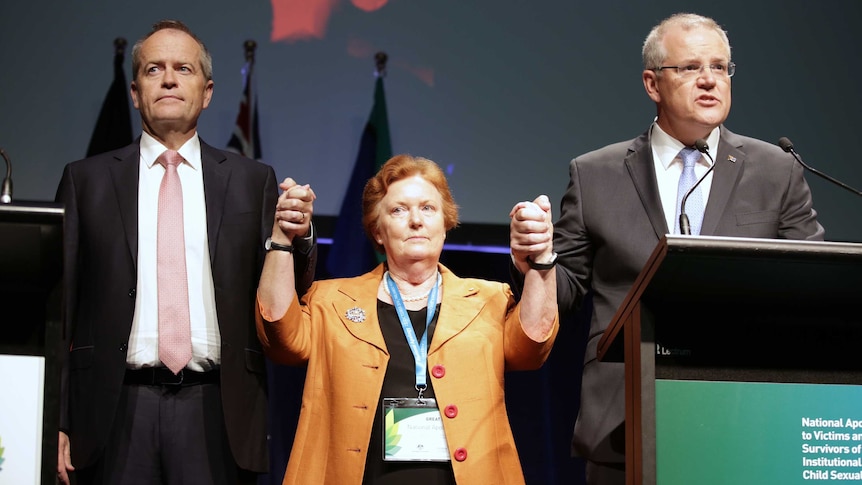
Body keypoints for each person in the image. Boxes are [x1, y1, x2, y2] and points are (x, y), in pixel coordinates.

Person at [510, 12, 825, 485]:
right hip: (626, 416)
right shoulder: (595, 174)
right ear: (652, 84)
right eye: (690, 68)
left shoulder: (776, 169)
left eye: (720, 67)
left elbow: (813, 283)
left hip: (747, 416)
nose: (709, 81)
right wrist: (536, 260)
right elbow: (567, 292)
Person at [55, 19, 317, 485]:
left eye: (184, 68)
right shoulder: (87, 180)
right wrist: (58, 417)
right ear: (135, 92)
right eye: (154, 69)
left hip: (217, 409)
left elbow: (286, 299)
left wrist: (300, 236)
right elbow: (64, 306)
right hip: (113, 411)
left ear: (208, 90)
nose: (170, 79)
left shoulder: (252, 180)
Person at [256, 154, 559, 484]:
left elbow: (533, 345)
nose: (416, 220)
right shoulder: (330, 301)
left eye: (428, 208)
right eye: (399, 210)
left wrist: (542, 260)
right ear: (378, 231)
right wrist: (283, 239)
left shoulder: (490, 300)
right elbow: (279, 334)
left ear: (446, 223)